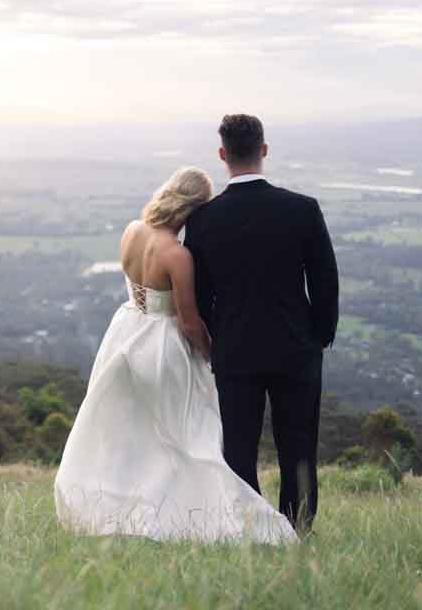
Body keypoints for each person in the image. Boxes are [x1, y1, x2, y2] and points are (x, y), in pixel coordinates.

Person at [54, 167, 297, 545]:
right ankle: (194, 516)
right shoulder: (177, 255)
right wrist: (213, 356)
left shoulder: (132, 231)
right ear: (194, 209)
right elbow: (188, 322)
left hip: (126, 334)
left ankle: (128, 511)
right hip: (161, 347)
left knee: (134, 432)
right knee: (189, 436)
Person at [184, 114, 339, 534]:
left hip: (235, 351)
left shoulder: (203, 220)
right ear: (264, 150)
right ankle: (297, 531)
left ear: (223, 155)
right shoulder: (302, 209)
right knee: (299, 447)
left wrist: (217, 340)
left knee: (238, 449)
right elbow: (325, 281)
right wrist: (320, 337)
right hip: (296, 349)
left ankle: (250, 532)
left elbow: (200, 295)